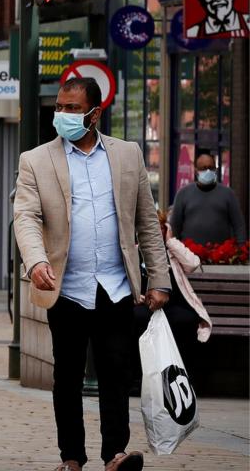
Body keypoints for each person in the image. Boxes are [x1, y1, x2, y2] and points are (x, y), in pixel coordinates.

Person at [13, 77, 170, 471]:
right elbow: (26, 217)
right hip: (65, 286)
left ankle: (115, 453)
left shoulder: (127, 155)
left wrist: (159, 280)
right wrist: (36, 262)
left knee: (116, 372)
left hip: (115, 287)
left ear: (94, 113)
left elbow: (147, 222)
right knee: (66, 376)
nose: (62, 115)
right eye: (59, 107)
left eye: (71, 108)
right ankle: (72, 458)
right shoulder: (35, 159)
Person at [132, 212, 213, 388]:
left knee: (186, 320)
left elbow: (193, 264)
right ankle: (140, 379)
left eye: (160, 227)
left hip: (174, 304)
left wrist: (170, 241)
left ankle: (182, 377)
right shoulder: (134, 250)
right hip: (146, 304)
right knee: (137, 318)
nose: (155, 231)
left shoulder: (172, 252)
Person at [169, 152, 247, 246]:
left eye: (211, 167)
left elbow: (239, 225)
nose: (208, 171)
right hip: (189, 256)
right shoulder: (183, 194)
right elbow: (175, 226)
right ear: (196, 170)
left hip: (221, 256)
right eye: (203, 168)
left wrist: (241, 248)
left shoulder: (228, 194)